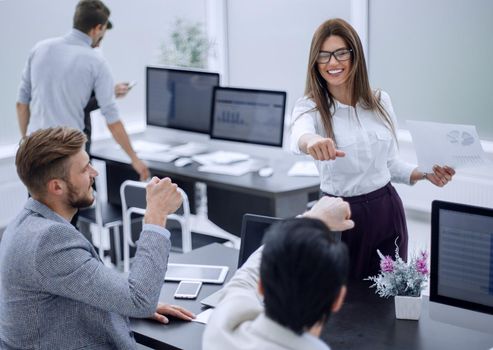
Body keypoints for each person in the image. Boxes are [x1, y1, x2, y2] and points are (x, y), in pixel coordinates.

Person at [290, 18, 456, 279]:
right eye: (323, 56)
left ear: (355, 55)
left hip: (386, 209)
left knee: (387, 299)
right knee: (343, 302)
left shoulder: (379, 101)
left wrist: (425, 173)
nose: (332, 63)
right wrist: (311, 141)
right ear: (315, 62)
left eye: (341, 52)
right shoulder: (310, 106)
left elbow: (390, 164)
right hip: (339, 214)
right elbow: (298, 134)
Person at [0, 127, 193, 349]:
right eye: (84, 169)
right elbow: (140, 299)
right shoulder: (49, 240)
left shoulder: (22, 224)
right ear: (57, 186)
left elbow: (77, 291)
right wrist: (156, 215)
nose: (94, 173)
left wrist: (123, 303)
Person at [16, 0, 149, 180]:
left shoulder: (40, 49)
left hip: (36, 152)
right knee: (77, 206)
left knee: (39, 207)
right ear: (98, 28)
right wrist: (135, 159)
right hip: (69, 155)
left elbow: (22, 104)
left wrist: (26, 141)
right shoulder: (96, 61)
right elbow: (113, 121)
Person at [203, 196, 354, 350]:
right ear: (338, 299)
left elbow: (245, 279)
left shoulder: (221, 329)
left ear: (261, 286)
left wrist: (312, 218)